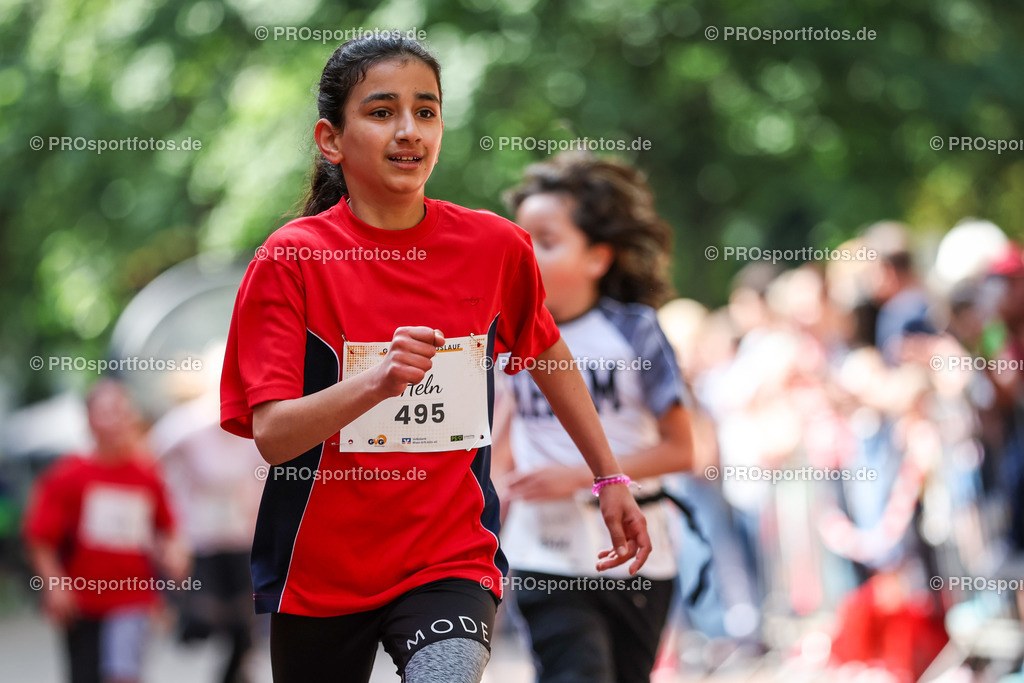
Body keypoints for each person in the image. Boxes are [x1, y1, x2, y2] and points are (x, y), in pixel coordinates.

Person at [219, 35, 652, 683]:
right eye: (381, 111)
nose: (409, 131)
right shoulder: (291, 260)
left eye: (426, 111)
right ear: (330, 139)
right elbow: (275, 436)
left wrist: (609, 475)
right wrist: (376, 382)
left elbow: (546, 351)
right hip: (319, 568)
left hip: (448, 555)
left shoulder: (494, 246)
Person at [496, 152, 694, 683]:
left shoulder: (637, 332)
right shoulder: (503, 335)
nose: (526, 254)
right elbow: (498, 441)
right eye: (520, 239)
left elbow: (683, 449)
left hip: (638, 556)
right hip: (545, 554)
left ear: (597, 258)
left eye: (546, 239)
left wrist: (583, 475)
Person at [23, 379, 189, 683]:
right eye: (106, 412)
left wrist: (175, 553)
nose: (115, 420)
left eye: (121, 411)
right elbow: (40, 537)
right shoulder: (68, 476)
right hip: (83, 602)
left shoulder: (147, 475)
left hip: (133, 599)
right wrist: (54, 583)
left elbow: (167, 528)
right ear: (89, 419)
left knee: (123, 675)